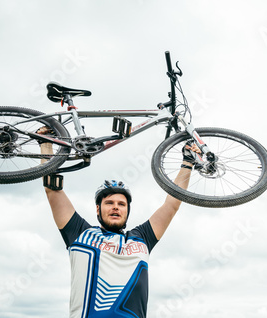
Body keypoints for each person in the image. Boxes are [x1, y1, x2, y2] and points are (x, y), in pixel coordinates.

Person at [38, 127, 198, 318]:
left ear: (127, 211)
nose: (116, 207)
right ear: (98, 209)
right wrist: (46, 144)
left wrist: (188, 162)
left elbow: (172, 204)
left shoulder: (142, 238)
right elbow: (52, 189)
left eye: (121, 204)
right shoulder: (80, 233)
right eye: (109, 203)